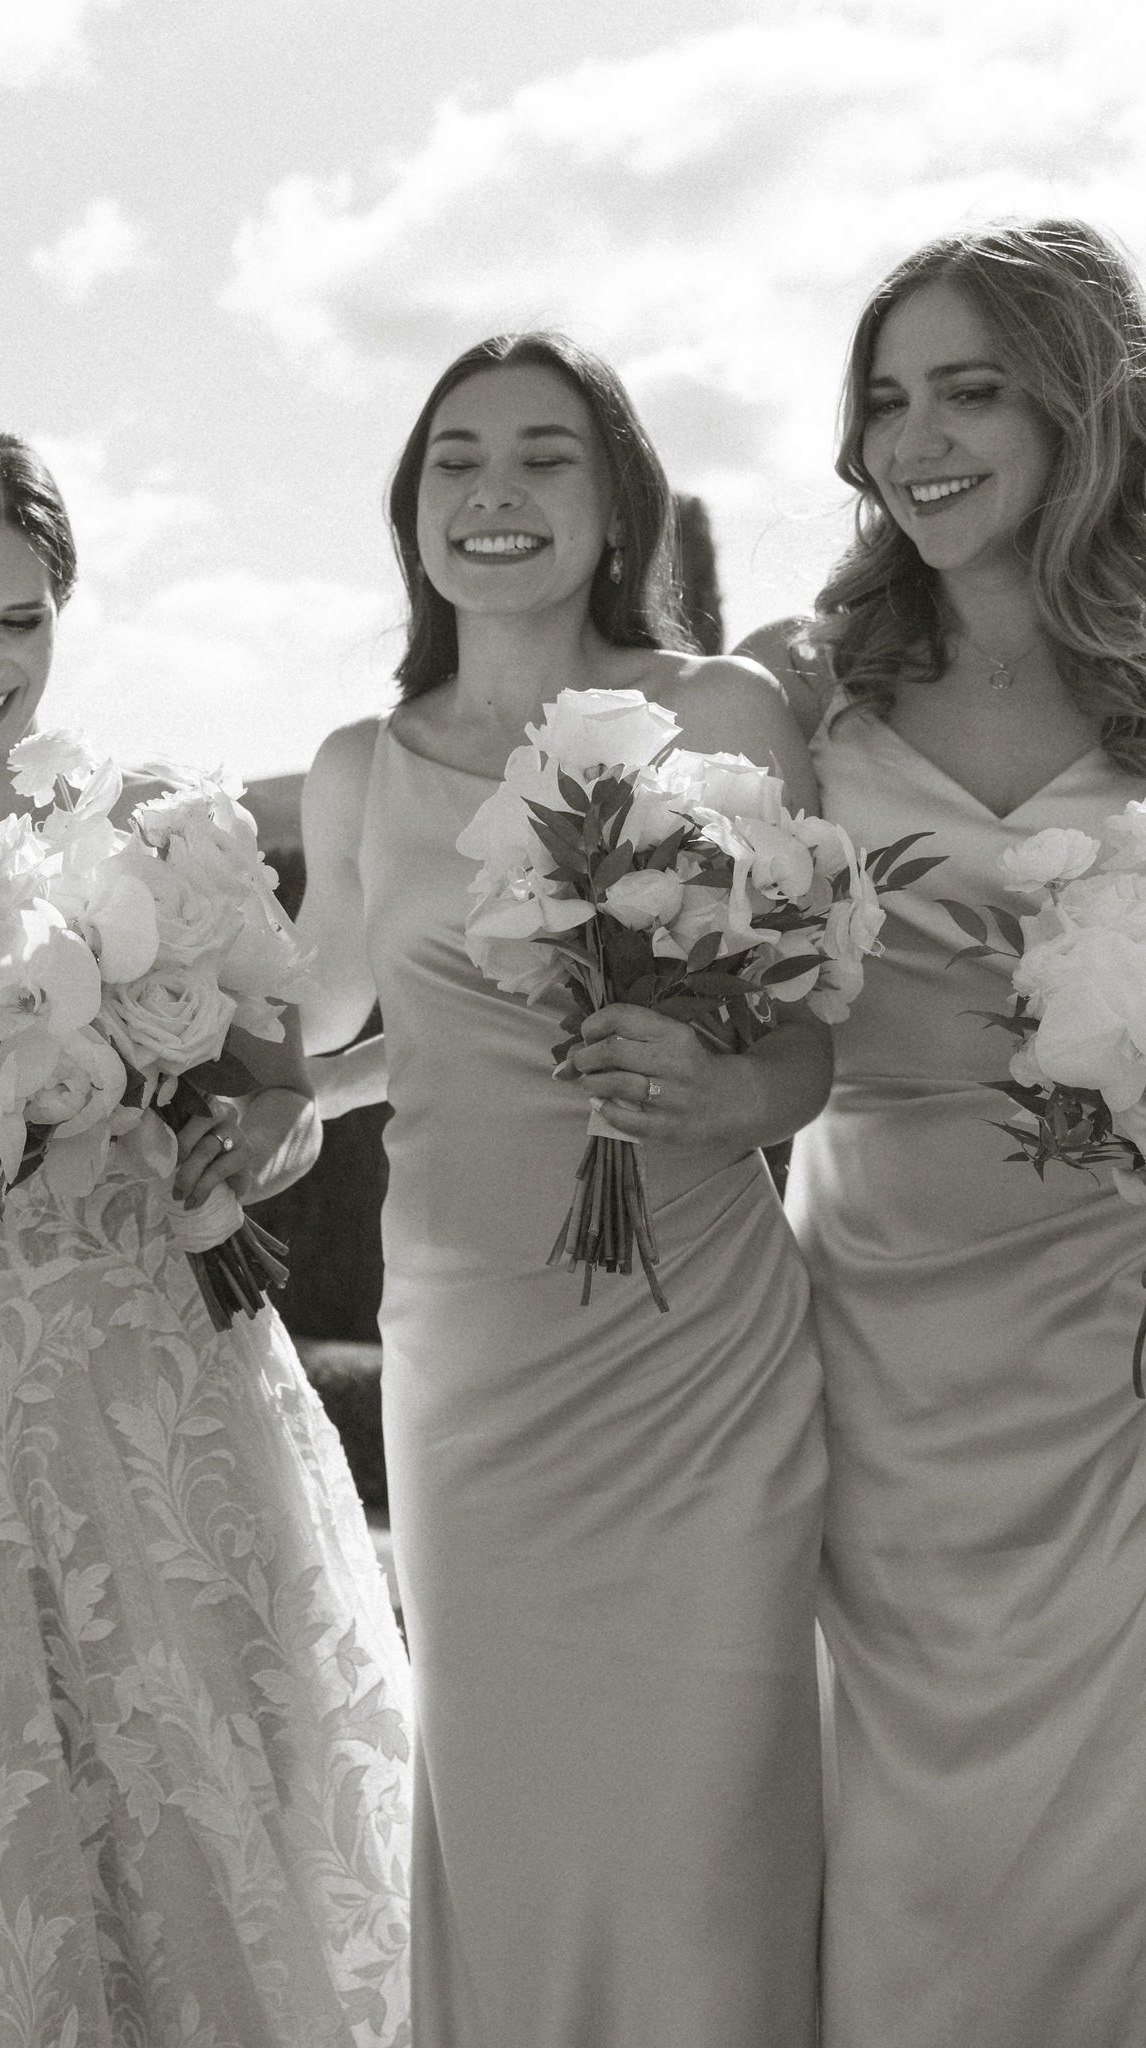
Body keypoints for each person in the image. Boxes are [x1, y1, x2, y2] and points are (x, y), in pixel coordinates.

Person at [0, 420, 412, 2047]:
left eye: (19, 619)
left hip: (168, 1381)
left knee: (219, 1807)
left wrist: (246, 1145)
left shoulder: (166, 822)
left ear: (64, 613)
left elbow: (286, 1097)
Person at [298, 334, 829, 2047]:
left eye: (544, 457)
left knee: (702, 1823)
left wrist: (728, 1090)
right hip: (477, 1367)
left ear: (617, 510)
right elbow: (338, 1030)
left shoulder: (725, 713)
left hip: (697, 1357)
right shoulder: (358, 768)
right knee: (513, 1811)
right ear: (412, 510)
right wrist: (112, 995)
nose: (494, 492)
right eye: (456, 458)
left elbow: (820, 1048)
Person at [747, 218, 1146, 2048]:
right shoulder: (810, 687)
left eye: (971, 390)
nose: (917, 439)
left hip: (1115, 1352)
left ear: (1085, 406)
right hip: (879, 1336)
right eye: (889, 400)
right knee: (900, 1826)